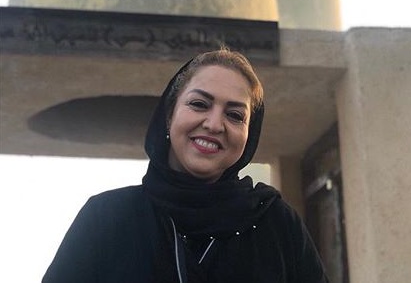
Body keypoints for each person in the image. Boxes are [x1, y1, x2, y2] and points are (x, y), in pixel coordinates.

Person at [43, 48, 329, 282]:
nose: (214, 124)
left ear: (249, 135)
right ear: (169, 116)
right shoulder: (107, 217)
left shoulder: (277, 224)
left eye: (234, 115)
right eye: (199, 104)